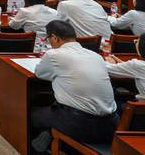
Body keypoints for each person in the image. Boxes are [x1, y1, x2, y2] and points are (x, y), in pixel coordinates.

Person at [30, 20, 118, 152]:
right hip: (111, 126)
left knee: (33, 114)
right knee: (59, 106)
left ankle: (51, 139)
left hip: (80, 125)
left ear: (55, 37)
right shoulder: (96, 56)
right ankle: (50, 134)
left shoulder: (54, 54)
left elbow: (40, 73)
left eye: (49, 39)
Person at [105, 31, 145, 102]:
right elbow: (135, 69)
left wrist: (111, 63)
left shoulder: (137, 65)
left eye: (136, 42)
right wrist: (120, 62)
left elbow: (106, 68)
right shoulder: (137, 66)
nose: (135, 44)